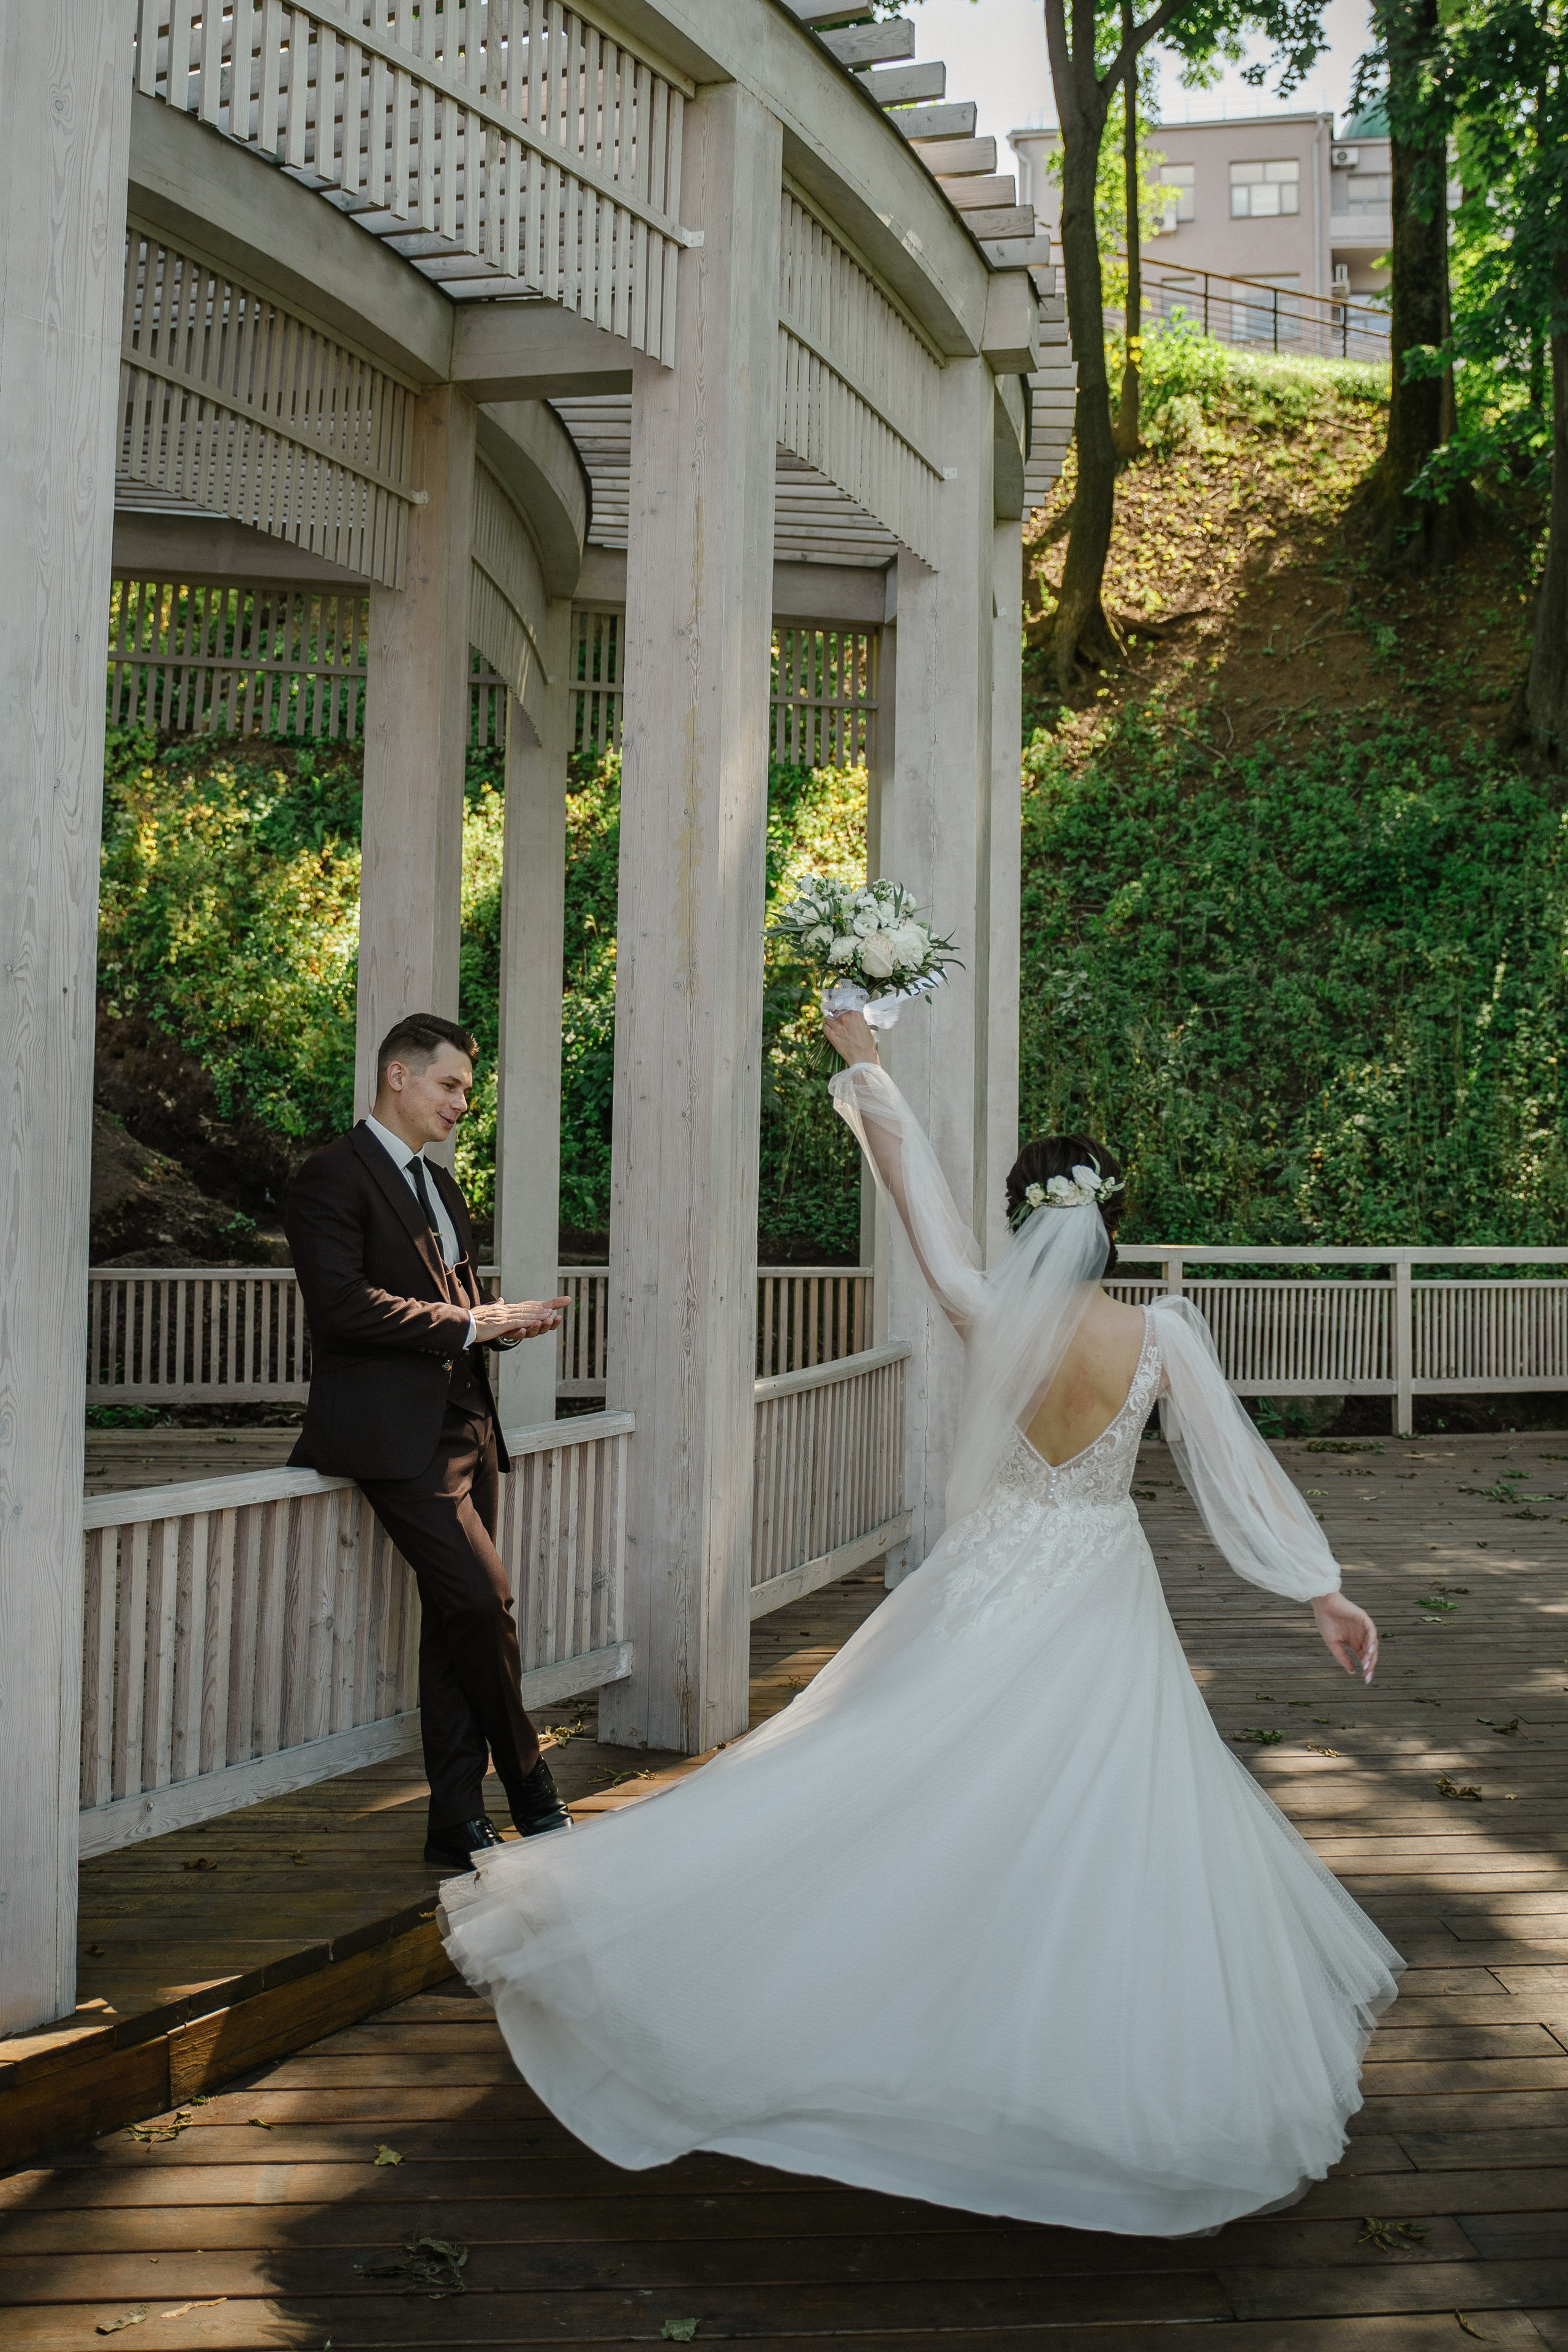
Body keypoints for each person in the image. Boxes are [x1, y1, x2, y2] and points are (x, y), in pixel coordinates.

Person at [438, 1008, 1401, 2235]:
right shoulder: (1159, 1336)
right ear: (1108, 1222)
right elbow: (1237, 1474)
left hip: (989, 1572)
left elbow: (916, 1203)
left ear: (1022, 1224)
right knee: (1097, 1805)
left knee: (889, 1768)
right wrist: (1316, 1585)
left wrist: (867, 1067)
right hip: (1097, 1580)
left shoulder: (979, 1308)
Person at [284, 1012, 573, 1871]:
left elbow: (453, 1308)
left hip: (468, 1425)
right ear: (398, 1077)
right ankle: (529, 1782)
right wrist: (469, 1322)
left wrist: (495, 1329)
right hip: (392, 1434)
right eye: (450, 1087)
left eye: (467, 1093)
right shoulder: (329, 1178)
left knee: (457, 1622)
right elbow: (340, 1304)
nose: (460, 1105)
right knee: (483, 1602)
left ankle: (454, 1821)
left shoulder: (442, 1188)